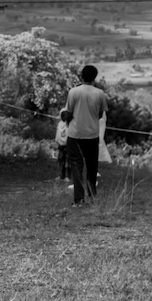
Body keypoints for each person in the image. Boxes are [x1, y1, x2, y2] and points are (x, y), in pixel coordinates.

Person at [63, 65, 109, 205]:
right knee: (92, 165)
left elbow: (69, 111)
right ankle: (92, 194)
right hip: (92, 134)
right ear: (94, 77)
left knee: (77, 166)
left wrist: (67, 120)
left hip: (75, 133)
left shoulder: (74, 92)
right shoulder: (100, 93)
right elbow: (101, 114)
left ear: (81, 76)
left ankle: (79, 199)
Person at [55, 109, 71, 182]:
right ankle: (62, 175)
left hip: (68, 146)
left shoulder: (69, 125)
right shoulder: (59, 124)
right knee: (61, 161)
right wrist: (57, 141)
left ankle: (68, 176)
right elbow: (58, 134)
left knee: (68, 162)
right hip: (61, 146)